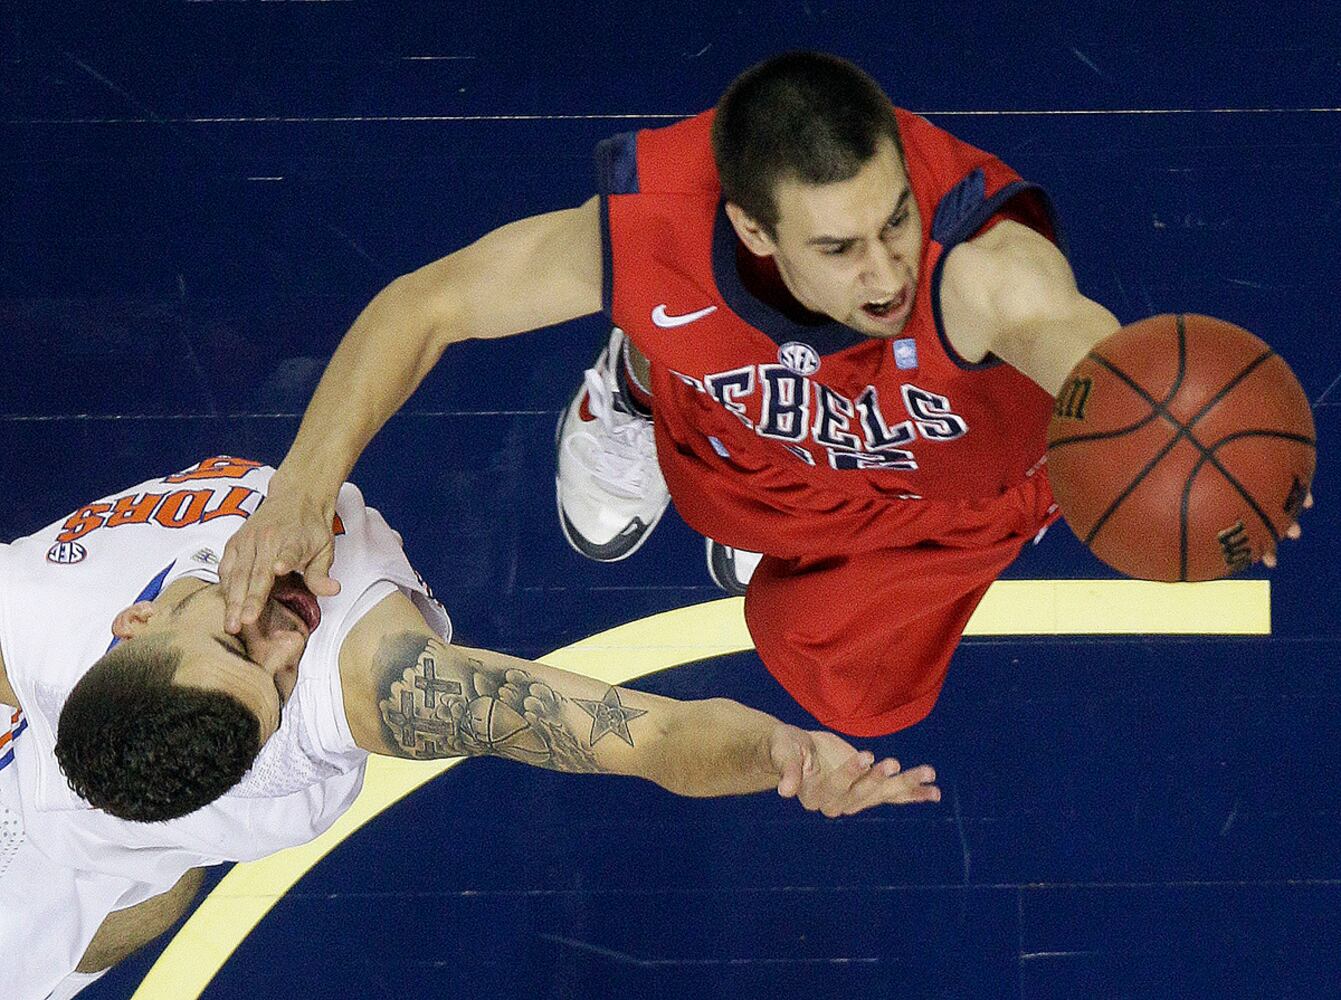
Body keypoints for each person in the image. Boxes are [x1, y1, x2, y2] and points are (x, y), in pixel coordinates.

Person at [216, 51, 1306, 740]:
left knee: (859, 698)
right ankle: (639, 380)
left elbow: (1095, 358)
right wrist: (299, 494)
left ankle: (702, 420)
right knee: (687, 379)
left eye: (894, 218)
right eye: (838, 247)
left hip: (938, 494)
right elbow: (426, 304)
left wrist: (1206, 454)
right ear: (750, 227)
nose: (885, 271)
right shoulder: (662, 227)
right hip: (753, 436)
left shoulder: (983, 271)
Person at [0, 456, 939, 1000]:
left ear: (137, 621)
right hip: (80, 870)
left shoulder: (31, 610)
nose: (285, 638)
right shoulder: (363, 687)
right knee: (139, 892)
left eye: (236, 640)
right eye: (274, 683)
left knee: (142, 878)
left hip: (87, 801)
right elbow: (649, 741)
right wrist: (777, 753)